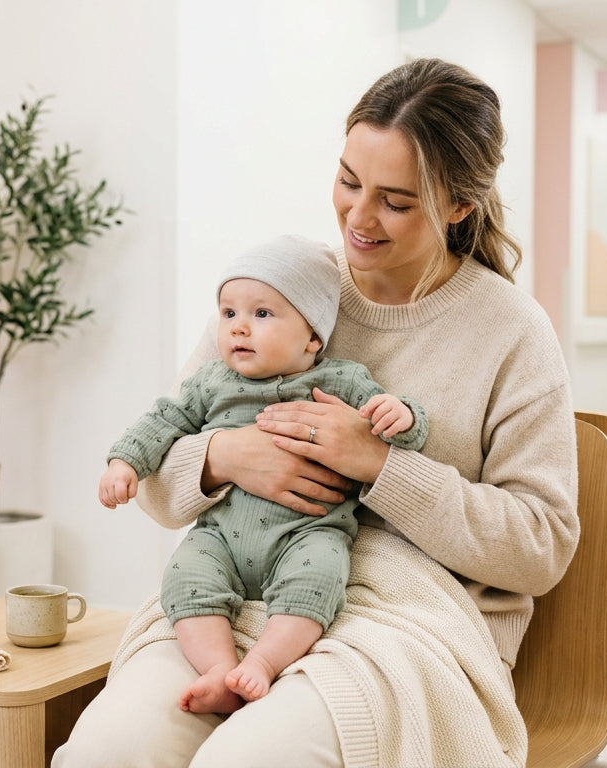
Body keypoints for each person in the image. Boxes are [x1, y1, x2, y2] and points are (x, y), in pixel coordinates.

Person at [56, 57, 578, 768]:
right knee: (103, 755)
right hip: (231, 600)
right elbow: (156, 464)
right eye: (348, 181)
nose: (358, 219)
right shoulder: (277, 291)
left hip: (402, 618)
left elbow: (539, 546)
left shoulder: (510, 331)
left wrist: (380, 466)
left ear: (460, 206)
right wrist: (223, 456)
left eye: (396, 201)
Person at [99, 234, 428, 715]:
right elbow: (162, 421)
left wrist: (403, 415)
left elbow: (399, 435)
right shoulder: (212, 382)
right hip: (221, 535)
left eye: (261, 314)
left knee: (320, 577)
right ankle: (217, 667)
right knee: (185, 575)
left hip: (308, 531)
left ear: (312, 336)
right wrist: (123, 462)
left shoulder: (342, 381)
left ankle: (265, 662)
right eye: (228, 314)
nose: (238, 329)